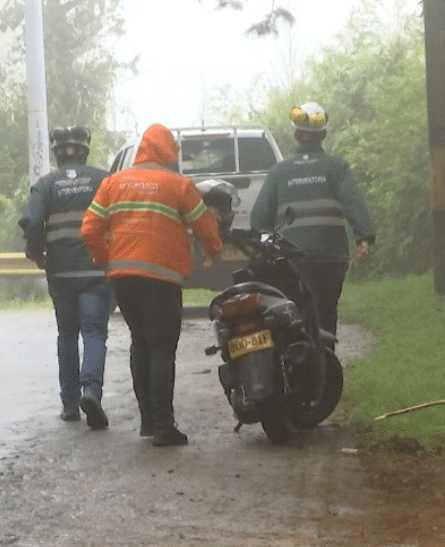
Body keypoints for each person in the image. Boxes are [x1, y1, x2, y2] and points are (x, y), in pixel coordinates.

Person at [81, 123, 223, 447]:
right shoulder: (178, 185)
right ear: (168, 153)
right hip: (161, 279)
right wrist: (213, 252)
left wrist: (104, 257)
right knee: (161, 348)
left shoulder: (113, 183)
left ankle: (147, 420)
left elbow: (89, 228)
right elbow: (205, 224)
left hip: (124, 277)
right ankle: (163, 427)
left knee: (140, 343)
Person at [251, 102, 375, 340]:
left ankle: (297, 355)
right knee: (326, 314)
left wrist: (261, 245)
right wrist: (364, 238)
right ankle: (325, 358)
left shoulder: (279, 171)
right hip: (330, 258)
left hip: (290, 260)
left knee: (293, 316)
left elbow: (259, 219)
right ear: (323, 134)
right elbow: (353, 203)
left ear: (295, 134)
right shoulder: (337, 167)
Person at [19, 125, 113, 430]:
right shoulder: (103, 180)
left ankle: (70, 405)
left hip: (60, 273)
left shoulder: (45, 185)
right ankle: (92, 392)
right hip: (96, 272)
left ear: (57, 153)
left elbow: (34, 222)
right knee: (95, 334)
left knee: (67, 336)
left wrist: (36, 253)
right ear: (85, 151)